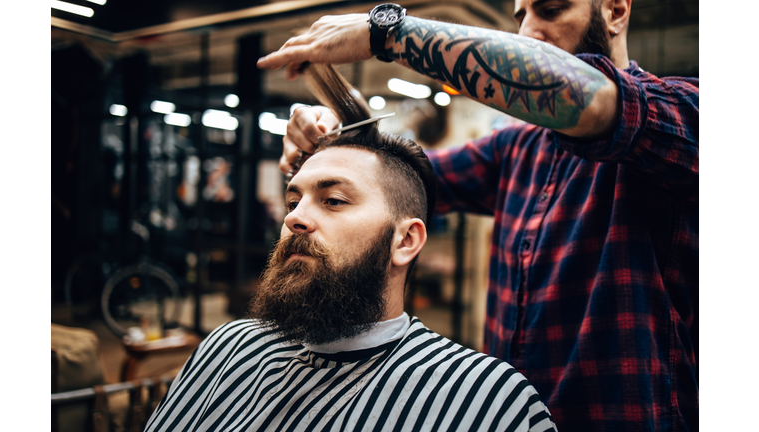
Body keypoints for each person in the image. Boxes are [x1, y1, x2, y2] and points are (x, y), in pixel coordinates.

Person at [257, 1, 698, 431]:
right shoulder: (517, 148)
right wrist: (338, 141)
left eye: (551, 10)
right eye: (521, 17)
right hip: (508, 416)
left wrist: (387, 32)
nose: (528, 31)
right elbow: (399, 186)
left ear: (616, 11)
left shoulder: (688, 114)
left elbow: (589, 98)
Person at [144, 64, 558, 432]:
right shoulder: (228, 346)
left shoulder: (488, 403)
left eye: (334, 200)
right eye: (293, 201)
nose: (293, 218)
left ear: (406, 240)